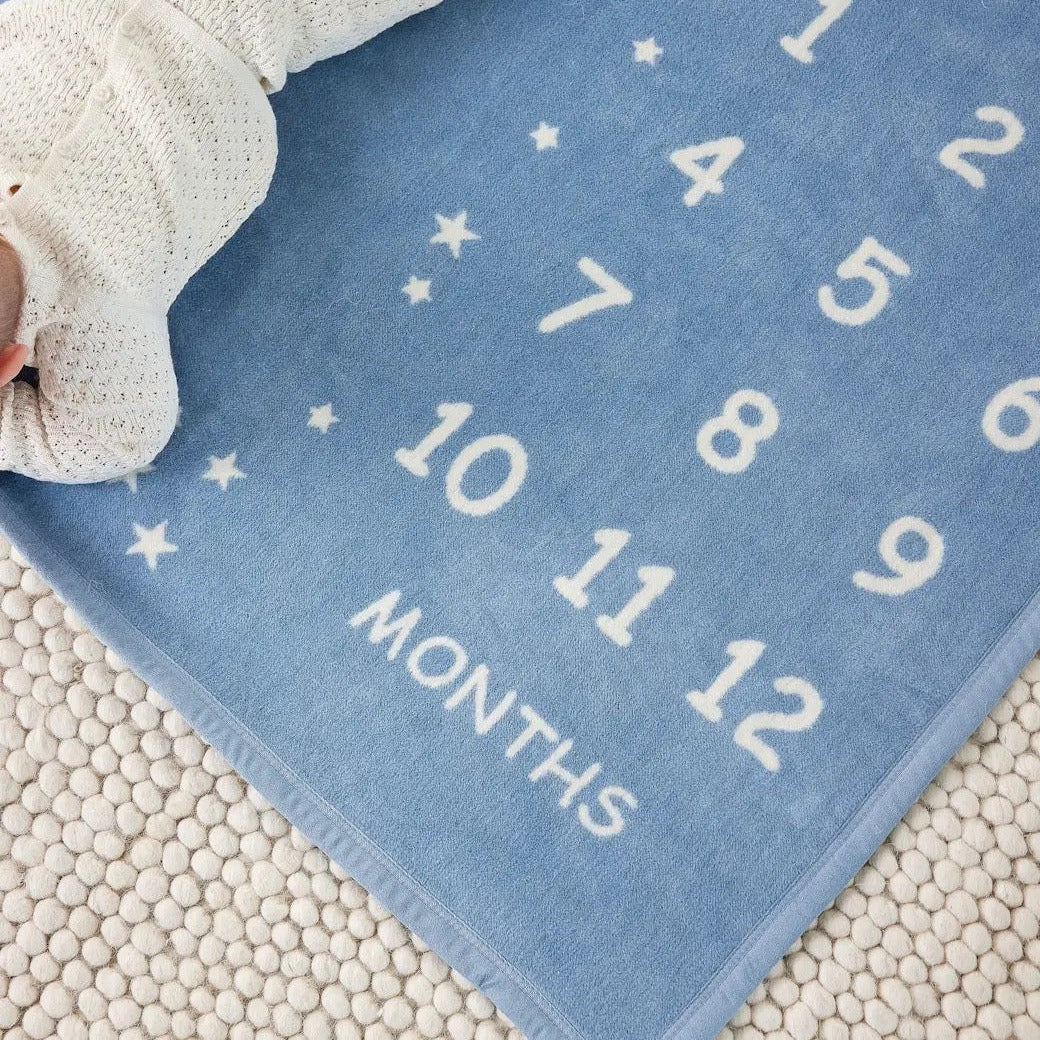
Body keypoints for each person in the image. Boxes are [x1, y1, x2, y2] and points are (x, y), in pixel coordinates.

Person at [0, 0, 442, 482]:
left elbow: (111, 440)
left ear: (11, 364)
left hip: (241, 32)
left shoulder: (95, 317)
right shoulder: (93, 307)